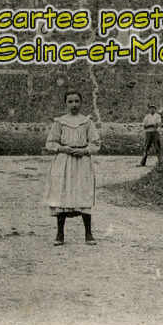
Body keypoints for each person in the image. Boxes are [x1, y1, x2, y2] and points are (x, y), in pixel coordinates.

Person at [44, 90, 101, 246]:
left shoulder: (87, 122)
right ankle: (60, 234)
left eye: (77, 101)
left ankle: (88, 234)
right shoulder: (60, 122)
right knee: (62, 193)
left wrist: (85, 151)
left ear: (81, 103)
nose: (74, 104)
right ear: (65, 103)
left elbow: (96, 143)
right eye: (70, 101)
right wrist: (63, 148)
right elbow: (50, 143)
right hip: (64, 161)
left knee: (83, 192)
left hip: (82, 161)